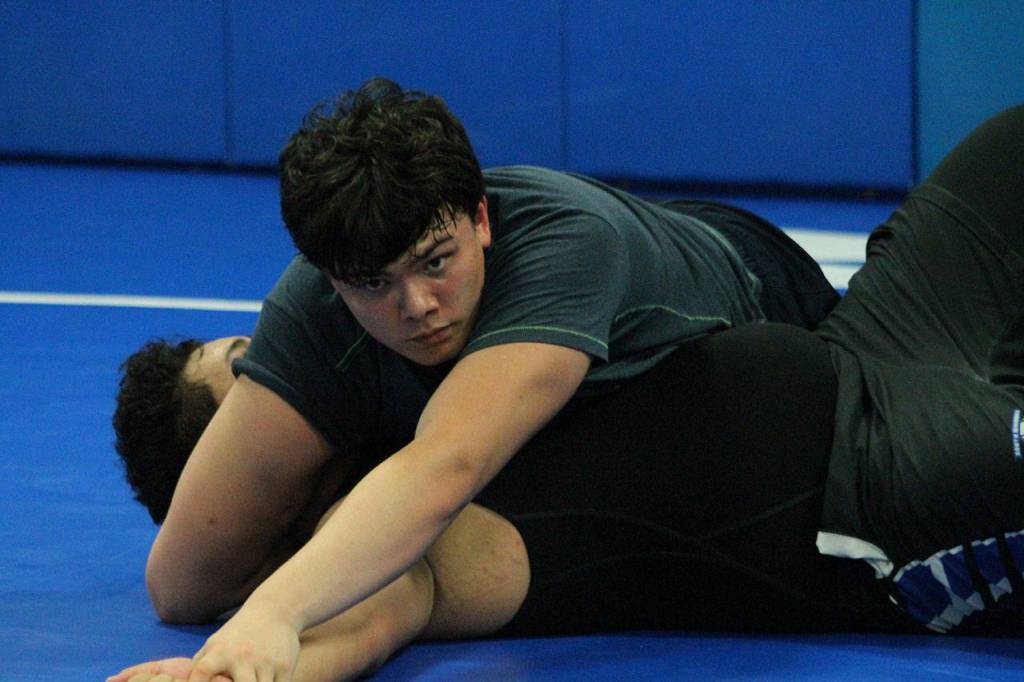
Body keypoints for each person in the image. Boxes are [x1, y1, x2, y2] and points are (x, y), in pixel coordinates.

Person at [134, 77, 841, 680]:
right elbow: (178, 589)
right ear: (333, 280)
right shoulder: (317, 305)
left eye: (436, 261)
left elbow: (446, 468)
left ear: (480, 219)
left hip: (759, 285)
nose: (416, 307)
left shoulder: (565, 246)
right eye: (374, 284)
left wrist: (275, 613)